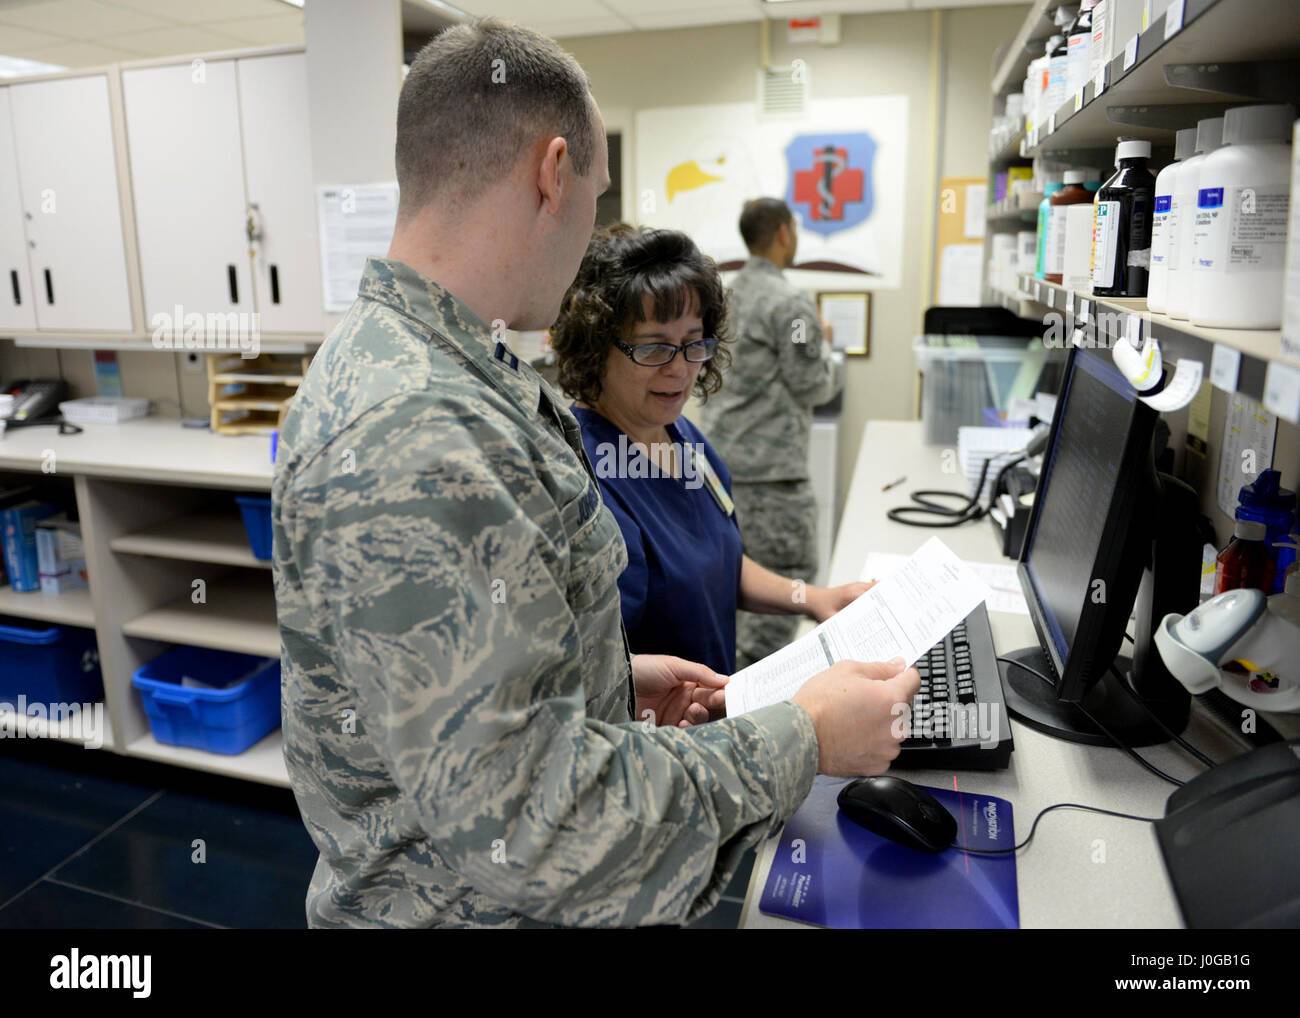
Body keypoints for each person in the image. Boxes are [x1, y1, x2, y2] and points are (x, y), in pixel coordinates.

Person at [272, 17, 918, 929]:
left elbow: (467, 689)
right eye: (595, 193)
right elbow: (531, 821)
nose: (590, 227)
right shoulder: (420, 426)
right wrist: (803, 737)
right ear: (553, 169)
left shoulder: (448, 368)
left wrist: (605, 675)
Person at [550, 223, 869, 677]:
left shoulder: (683, 437)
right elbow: (592, 673)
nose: (681, 369)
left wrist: (813, 597)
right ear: (596, 345)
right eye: (655, 347)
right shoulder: (587, 482)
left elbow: (721, 563)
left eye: (693, 343)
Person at [696, 198, 844, 670]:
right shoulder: (791, 303)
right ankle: (755, 707)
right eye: (794, 229)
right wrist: (826, 344)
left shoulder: (723, 296)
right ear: (783, 233)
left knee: (734, 590)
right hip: (773, 481)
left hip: (721, 472)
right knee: (787, 592)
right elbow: (811, 382)